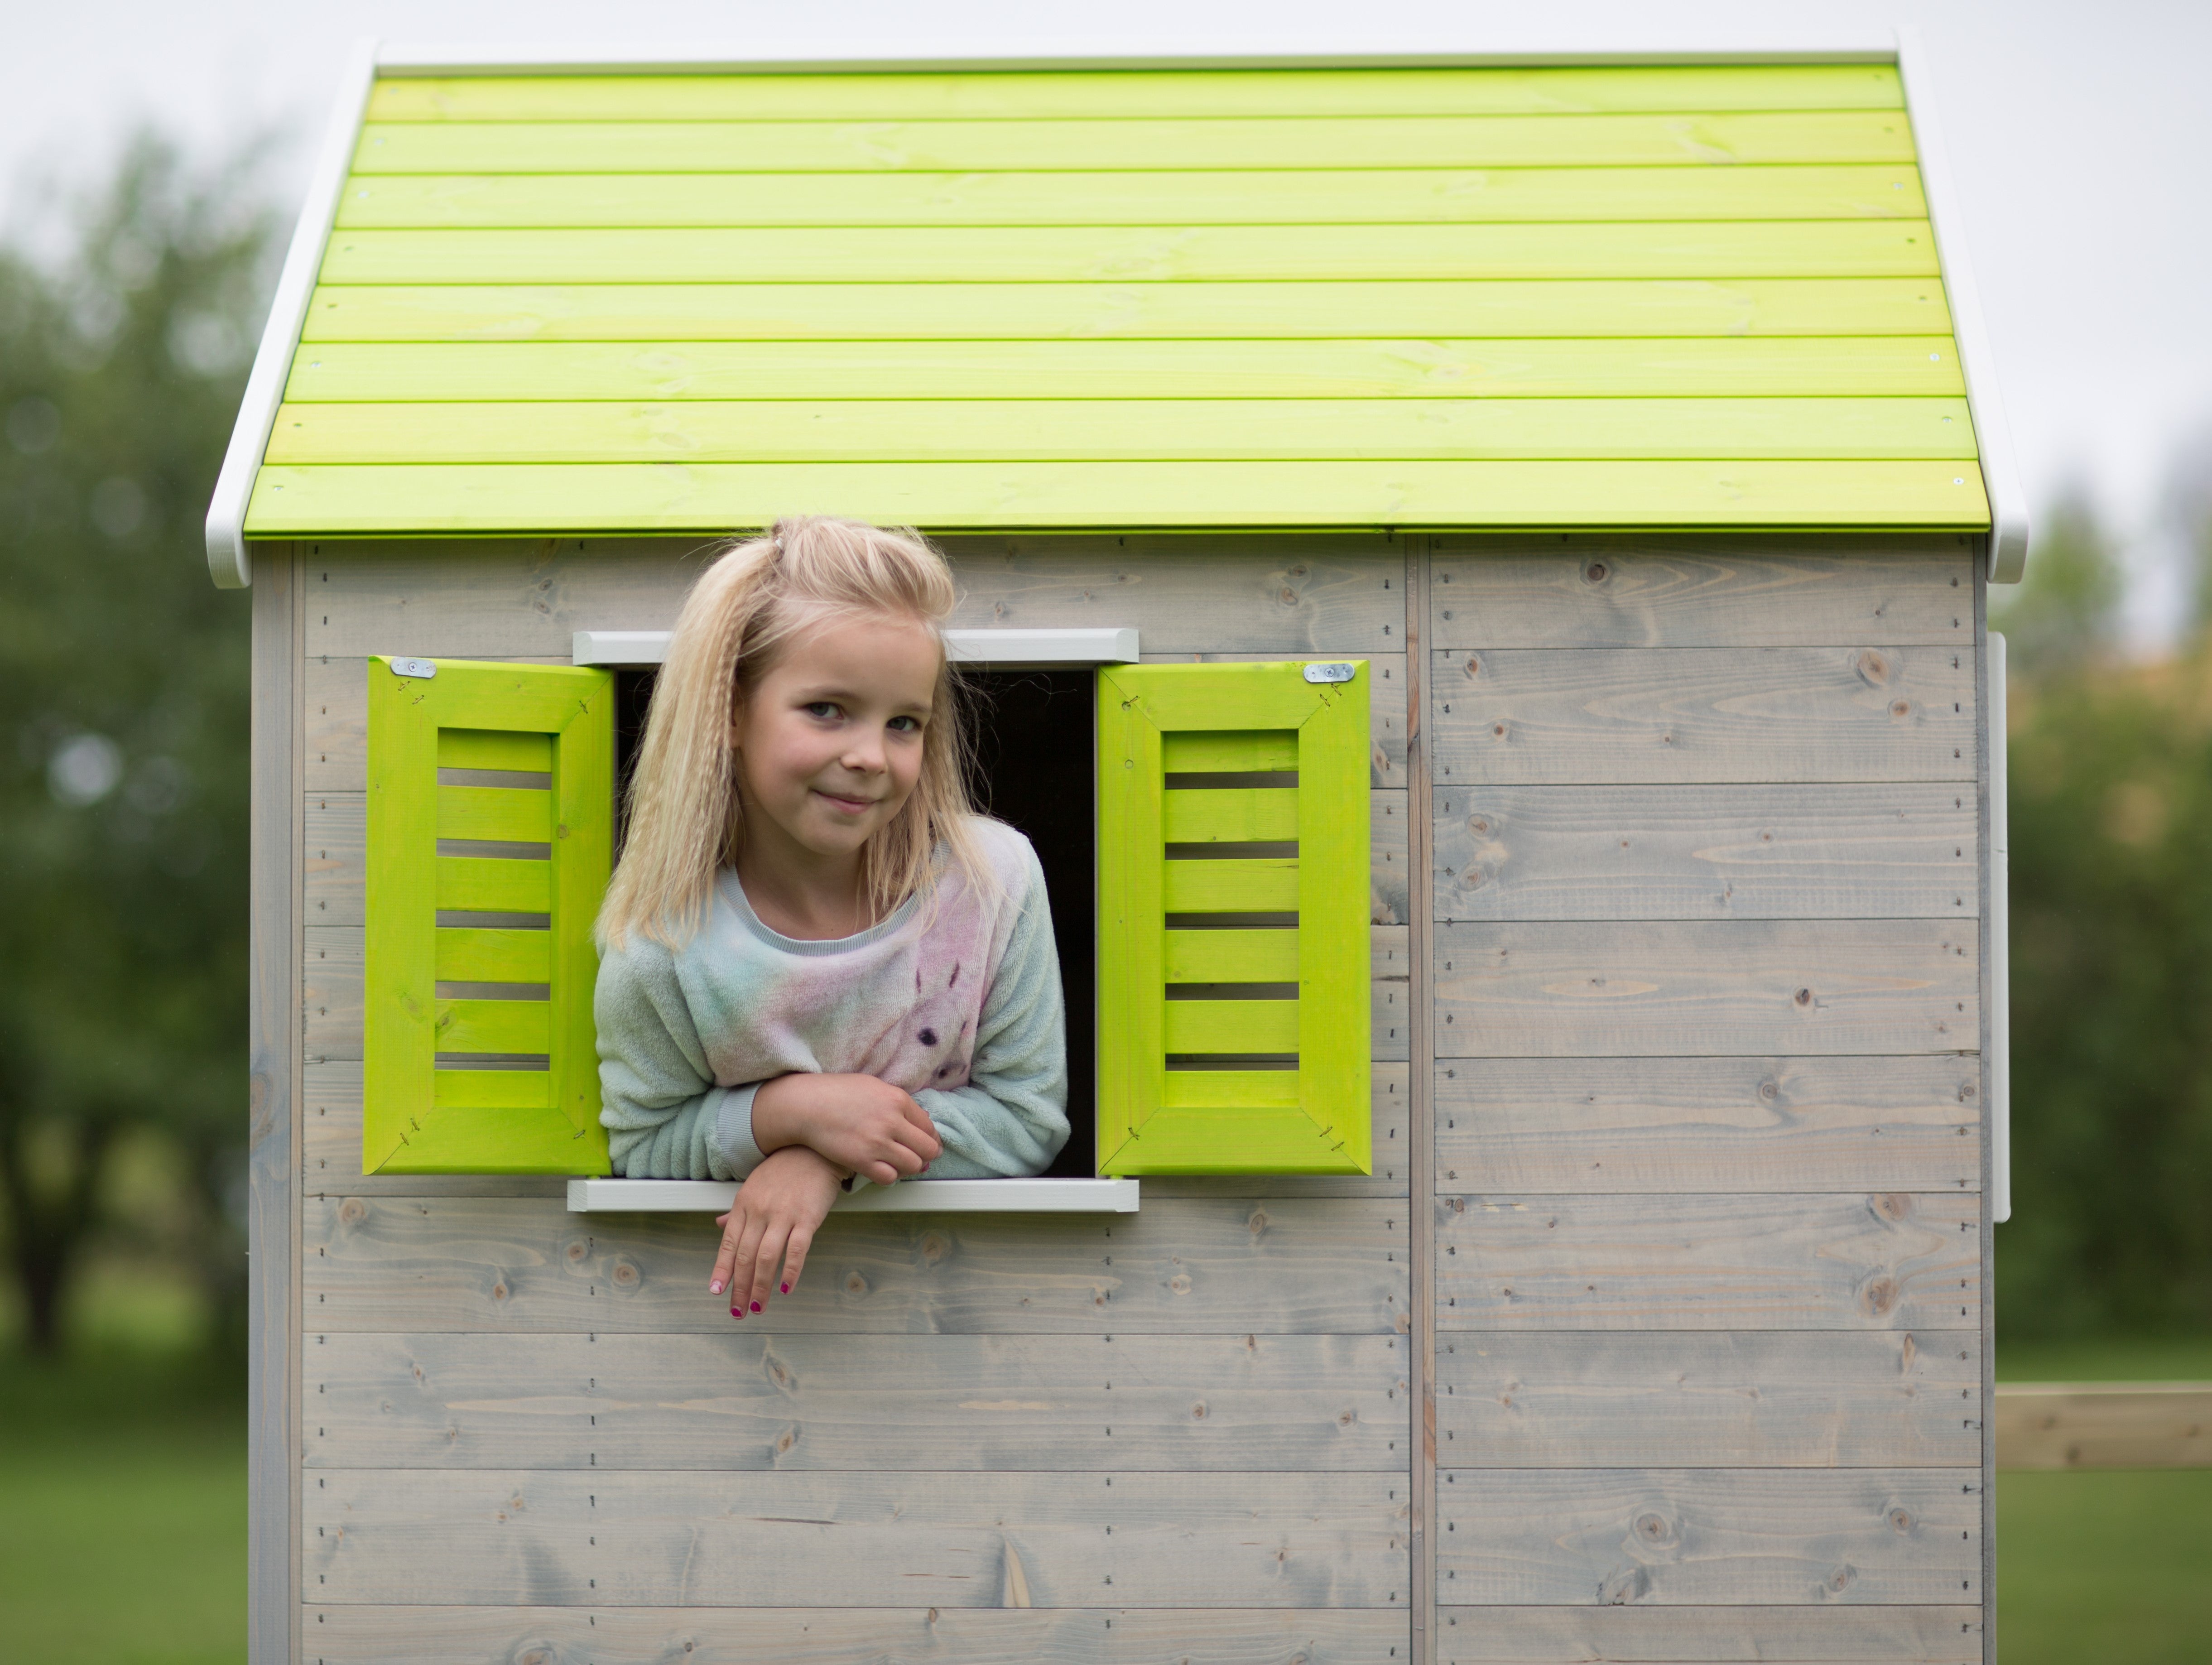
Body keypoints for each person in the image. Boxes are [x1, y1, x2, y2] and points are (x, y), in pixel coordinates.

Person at [591, 517, 1069, 1321]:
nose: (872, 757)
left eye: (903, 723)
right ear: (731, 713)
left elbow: (1027, 1119)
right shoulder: (662, 945)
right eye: (826, 710)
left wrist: (824, 1161)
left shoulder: (996, 883)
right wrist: (786, 1114)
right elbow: (640, 1145)